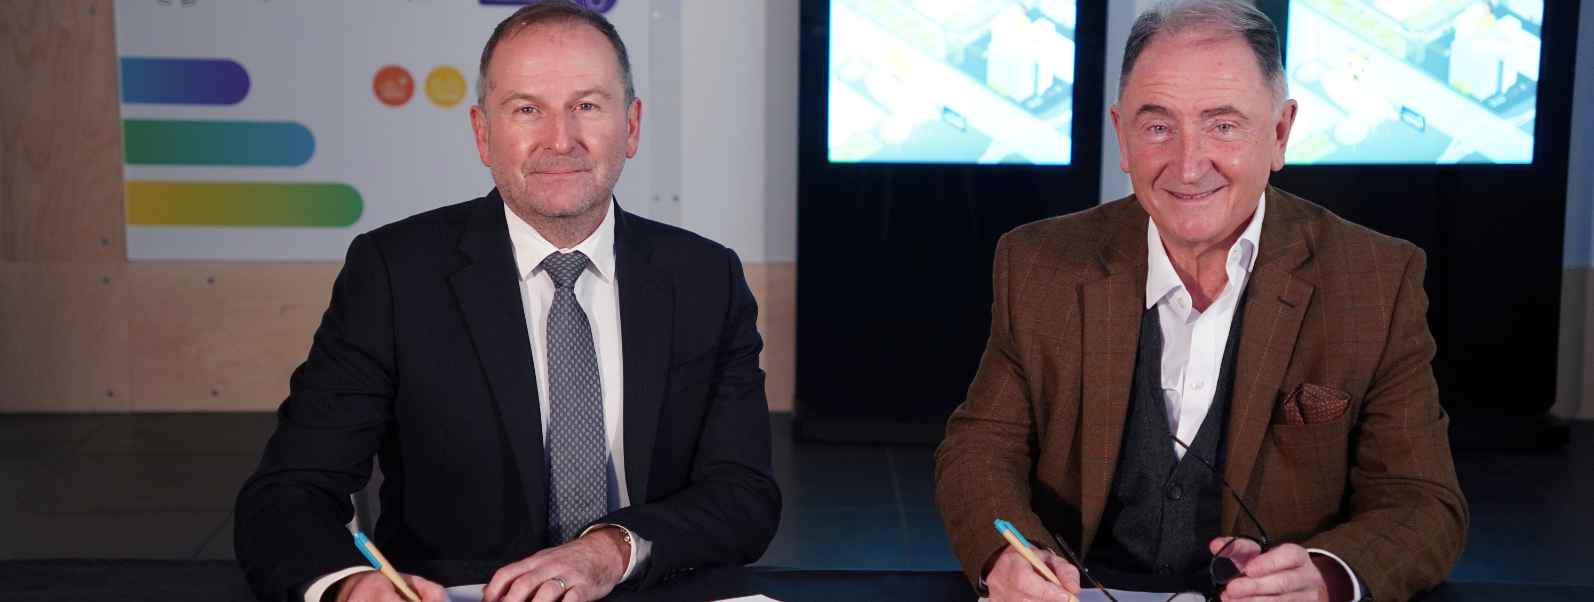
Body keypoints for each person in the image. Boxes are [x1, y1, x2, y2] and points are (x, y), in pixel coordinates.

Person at [234, 3, 781, 601]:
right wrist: (348, 587)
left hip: (645, 589)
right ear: (482, 133)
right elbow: (290, 491)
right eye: (527, 109)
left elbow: (744, 495)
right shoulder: (394, 273)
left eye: (587, 106)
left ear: (631, 126)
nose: (560, 140)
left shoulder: (705, 277)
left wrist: (612, 550)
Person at [934, 1, 1466, 600]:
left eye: (1223, 125)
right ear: (1122, 137)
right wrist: (1007, 559)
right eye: (1158, 127)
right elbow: (980, 449)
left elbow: (1421, 500)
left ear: (1280, 133)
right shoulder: (1038, 262)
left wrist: (1323, 575)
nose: (1188, 167)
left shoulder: (1376, 278)